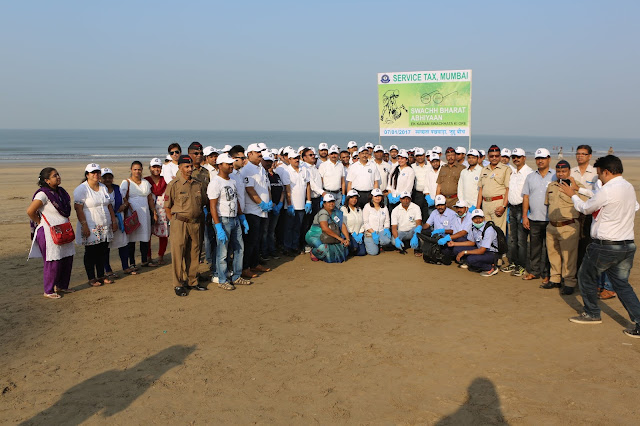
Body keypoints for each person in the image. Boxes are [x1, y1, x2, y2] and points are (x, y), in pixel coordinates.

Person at [559, 155, 640, 338]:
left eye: (600, 174)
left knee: (585, 277)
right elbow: (634, 206)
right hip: (626, 244)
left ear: (607, 171)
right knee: (622, 285)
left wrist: (573, 194)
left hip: (606, 245)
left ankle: (592, 313)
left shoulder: (609, 189)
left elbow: (586, 209)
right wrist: (581, 190)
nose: (599, 178)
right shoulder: (628, 187)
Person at [27, 167, 75, 298]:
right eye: (54, 176)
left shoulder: (61, 192)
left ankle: (62, 286)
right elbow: (30, 211)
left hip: (64, 230)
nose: (58, 177)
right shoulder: (42, 194)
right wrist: (40, 222)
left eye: (58, 174)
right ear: (47, 180)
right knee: (53, 261)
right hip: (49, 232)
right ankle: (48, 290)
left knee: (66, 258)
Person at [165, 155, 208, 296]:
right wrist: (174, 222)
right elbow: (167, 206)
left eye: (191, 166)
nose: (190, 169)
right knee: (178, 254)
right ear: (180, 168)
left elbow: (202, 202)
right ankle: (178, 284)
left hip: (195, 223)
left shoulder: (197, 184)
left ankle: (192, 281)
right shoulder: (174, 185)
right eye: (186, 167)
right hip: (180, 223)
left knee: (194, 253)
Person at [208, 153, 251, 290]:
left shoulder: (232, 181)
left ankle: (236, 276)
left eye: (232, 163)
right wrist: (218, 226)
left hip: (235, 218)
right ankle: (222, 279)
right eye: (228, 164)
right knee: (223, 251)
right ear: (220, 166)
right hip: (223, 219)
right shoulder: (215, 183)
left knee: (239, 248)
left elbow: (235, 200)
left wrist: (242, 217)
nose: (231, 166)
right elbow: (213, 206)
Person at [544, 160, 587, 294]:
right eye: (558, 171)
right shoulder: (551, 186)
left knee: (569, 257)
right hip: (552, 226)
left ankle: (569, 282)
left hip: (568, 226)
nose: (561, 174)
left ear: (569, 171)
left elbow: (584, 206)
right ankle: (555, 279)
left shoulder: (576, 186)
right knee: (553, 254)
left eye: (564, 171)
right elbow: (547, 204)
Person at [74, 164, 117, 287]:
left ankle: (101, 275)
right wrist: (84, 226)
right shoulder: (81, 189)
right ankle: (91, 277)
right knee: (91, 252)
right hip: (91, 224)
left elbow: (108, 205)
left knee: (103, 250)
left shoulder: (103, 187)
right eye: (93, 173)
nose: (96, 175)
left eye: (98, 172)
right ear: (87, 175)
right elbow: (78, 208)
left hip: (104, 224)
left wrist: (113, 221)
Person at [521, 148, 554, 284]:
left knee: (549, 249)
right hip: (534, 218)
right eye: (538, 158)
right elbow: (526, 197)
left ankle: (548, 274)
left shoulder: (555, 176)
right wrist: (525, 216)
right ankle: (534, 271)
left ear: (549, 159)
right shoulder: (530, 176)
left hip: (550, 219)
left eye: (543, 158)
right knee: (534, 248)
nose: (540, 161)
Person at [241, 143, 272, 276]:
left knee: (258, 239)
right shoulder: (247, 169)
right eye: (257, 152)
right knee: (250, 241)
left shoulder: (260, 168)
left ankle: (255, 264)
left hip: (262, 211)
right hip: (252, 210)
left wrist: (269, 201)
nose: (260, 154)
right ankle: (245, 267)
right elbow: (250, 189)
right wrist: (261, 203)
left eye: (261, 152)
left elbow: (266, 187)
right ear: (249, 154)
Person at [502, 148, 532, 276]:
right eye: (514, 157)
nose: (516, 159)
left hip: (522, 208)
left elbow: (529, 194)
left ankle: (521, 265)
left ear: (524, 157)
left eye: (518, 156)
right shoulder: (513, 172)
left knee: (521, 239)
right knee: (513, 239)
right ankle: (514, 262)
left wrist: (526, 214)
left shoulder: (529, 173)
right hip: (512, 208)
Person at [121, 161, 156, 268]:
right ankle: (132, 263)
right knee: (131, 240)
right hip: (132, 215)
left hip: (145, 214)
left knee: (145, 238)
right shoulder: (126, 182)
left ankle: (144, 260)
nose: (137, 171)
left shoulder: (145, 183)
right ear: (131, 170)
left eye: (139, 169)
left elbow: (150, 199)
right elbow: (123, 198)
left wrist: (153, 211)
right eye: (135, 169)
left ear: (142, 170)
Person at [447, 209, 500, 276]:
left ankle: (490, 268)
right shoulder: (473, 227)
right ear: (472, 220)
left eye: (480, 218)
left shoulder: (489, 230)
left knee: (471, 259)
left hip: (490, 253)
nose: (478, 220)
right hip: (479, 249)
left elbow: (482, 250)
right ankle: (471, 263)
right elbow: (472, 242)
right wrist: (454, 244)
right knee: (456, 249)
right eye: (475, 218)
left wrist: (464, 252)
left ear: (484, 218)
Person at [100, 168, 133, 277]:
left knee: (123, 244)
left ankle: (125, 266)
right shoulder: (100, 190)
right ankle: (107, 269)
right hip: (106, 221)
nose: (108, 179)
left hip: (119, 220)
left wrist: (123, 206)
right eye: (105, 177)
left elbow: (125, 202)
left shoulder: (117, 188)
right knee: (105, 246)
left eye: (110, 177)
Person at [571, 145, 597, 272]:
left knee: (586, 242)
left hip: (588, 212)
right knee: (573, 242)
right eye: (578, 153)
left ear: (590, 156)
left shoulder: (595, 173)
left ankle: (585, 270)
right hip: (573, 211)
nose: (580, 156)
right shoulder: (571, 172)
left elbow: (597, 194)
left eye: (583, 154)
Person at [304, 193, 350, 262]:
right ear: (324, 204)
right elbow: (324, 228)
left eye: (332, 201)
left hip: (329, 237)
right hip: (315, 236)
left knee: (344, 249)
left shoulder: (336, 212)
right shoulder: (323, 212)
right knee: (324, 249)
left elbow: (342, 225)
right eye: (329, 202)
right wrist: (340, 238)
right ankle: (313, 252)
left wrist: (347, 239)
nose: (331, 203)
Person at [476, 145, 511, 233]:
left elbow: (508, 189)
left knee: (499, 232)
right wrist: (478, 207)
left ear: (500, 156)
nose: (494, 158)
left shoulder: (506, 169)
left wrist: (503, 206)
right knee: (487, 231)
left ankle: (500, 247)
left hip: (498, 203)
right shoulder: (484, 170)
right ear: (488, 156)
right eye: (491, 156)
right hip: (485, 204)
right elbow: (481, 189)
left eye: (496, 156)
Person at [283, 149, 311, 256]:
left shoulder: (304, 170)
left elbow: (308, 186)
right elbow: (287, 189)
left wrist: (308, 201)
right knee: (289, 227)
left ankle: (295, 246)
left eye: (297, 158)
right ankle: (287, 247)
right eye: (294, 158)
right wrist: (289, 204)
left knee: (298, 227)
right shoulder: (287, 171)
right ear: (289, 159)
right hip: (291, 205)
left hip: (302, 205)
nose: (296, 160)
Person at [145, 158, 169, 266]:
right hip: (149, 210)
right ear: (150, 168)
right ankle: (148, 257)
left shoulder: (166, 181)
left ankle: (161, 256)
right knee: (147, 235)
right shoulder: (145, 181)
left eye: (158, 167)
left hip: (163, 211)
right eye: (154, 167)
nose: (156, 169)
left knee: (163, 235)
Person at [261, 153, 284, 260]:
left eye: (273, 161)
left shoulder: (277, 176)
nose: (271, 164)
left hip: (276, 207)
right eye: (269, 162)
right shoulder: (263, 175)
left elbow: (282, 190)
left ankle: (272, 250)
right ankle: (264, 252)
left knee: (272, 231)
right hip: (267, 207)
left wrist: (280, 203)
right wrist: (270, 203)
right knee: (265, 231)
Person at [301, 147, 324, 251]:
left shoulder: (314, 167)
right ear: (304, 157)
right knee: (307, 223)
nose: (313, 156)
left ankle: (312, 242)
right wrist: (323, 192)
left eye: (314, 155)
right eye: (310, 155)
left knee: (315, 223)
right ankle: (305, 243)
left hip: (317, 199)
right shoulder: (305, 168)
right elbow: (312, 185)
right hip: (310, 199)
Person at [362, 188, 393, 255]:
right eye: (375, 196)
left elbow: (387, 220)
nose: (377, 198)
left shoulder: (384, 207)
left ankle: (379, 244)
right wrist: (373, 233)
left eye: (379, 196)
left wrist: (387, 228)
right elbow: (366, 223)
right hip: (370, 232)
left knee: (387, 241)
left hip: (381, 231)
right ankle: (369, 243)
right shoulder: (367, 207)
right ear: (372, 197)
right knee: (373, 252)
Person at [341, 190, 366, 256]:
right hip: (349, 234)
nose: (354, 200)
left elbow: (363, 222)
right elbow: (343, 224)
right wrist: (352, 233)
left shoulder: (359, 209)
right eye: (352, 198)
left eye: (356, 198)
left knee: (362, 252)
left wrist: (360, 233)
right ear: (348, 198)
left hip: (359, 234)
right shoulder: (343, 209)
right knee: (354, 247)